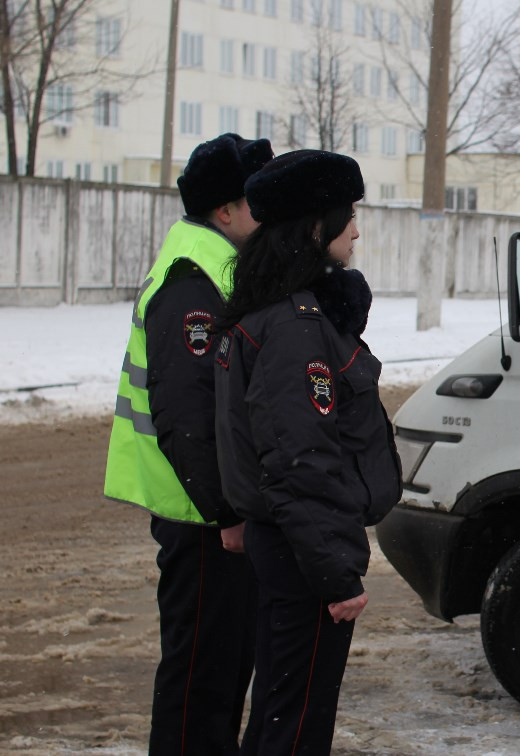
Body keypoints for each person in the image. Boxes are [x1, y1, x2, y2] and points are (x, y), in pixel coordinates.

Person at [213, 149, 402, 754]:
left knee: (278, 708)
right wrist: (336, 574)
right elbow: (302, 461)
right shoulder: (295, 327)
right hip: (304, 552)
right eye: (345, 215)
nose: (356, 230)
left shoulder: (284, 313)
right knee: (295, 723)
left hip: (287, 543)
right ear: (314, 227)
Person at [103, 132, 273, 754]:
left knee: (223, 671)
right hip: (198, 517)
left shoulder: (217, 272)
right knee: (200, 677)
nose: (271, 215)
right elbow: (190, 417)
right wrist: (226, 513)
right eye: (260, 202)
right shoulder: (191, 282)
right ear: (225, 211)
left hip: (212, 512)